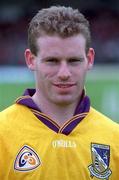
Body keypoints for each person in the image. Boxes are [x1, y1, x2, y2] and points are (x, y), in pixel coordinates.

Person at [0, 6, 119, 180]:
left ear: (90, 59)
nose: (64, 73)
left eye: (74, 61)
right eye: (52, 61)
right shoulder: (2, 133)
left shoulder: (114, 137)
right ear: (31, 60)